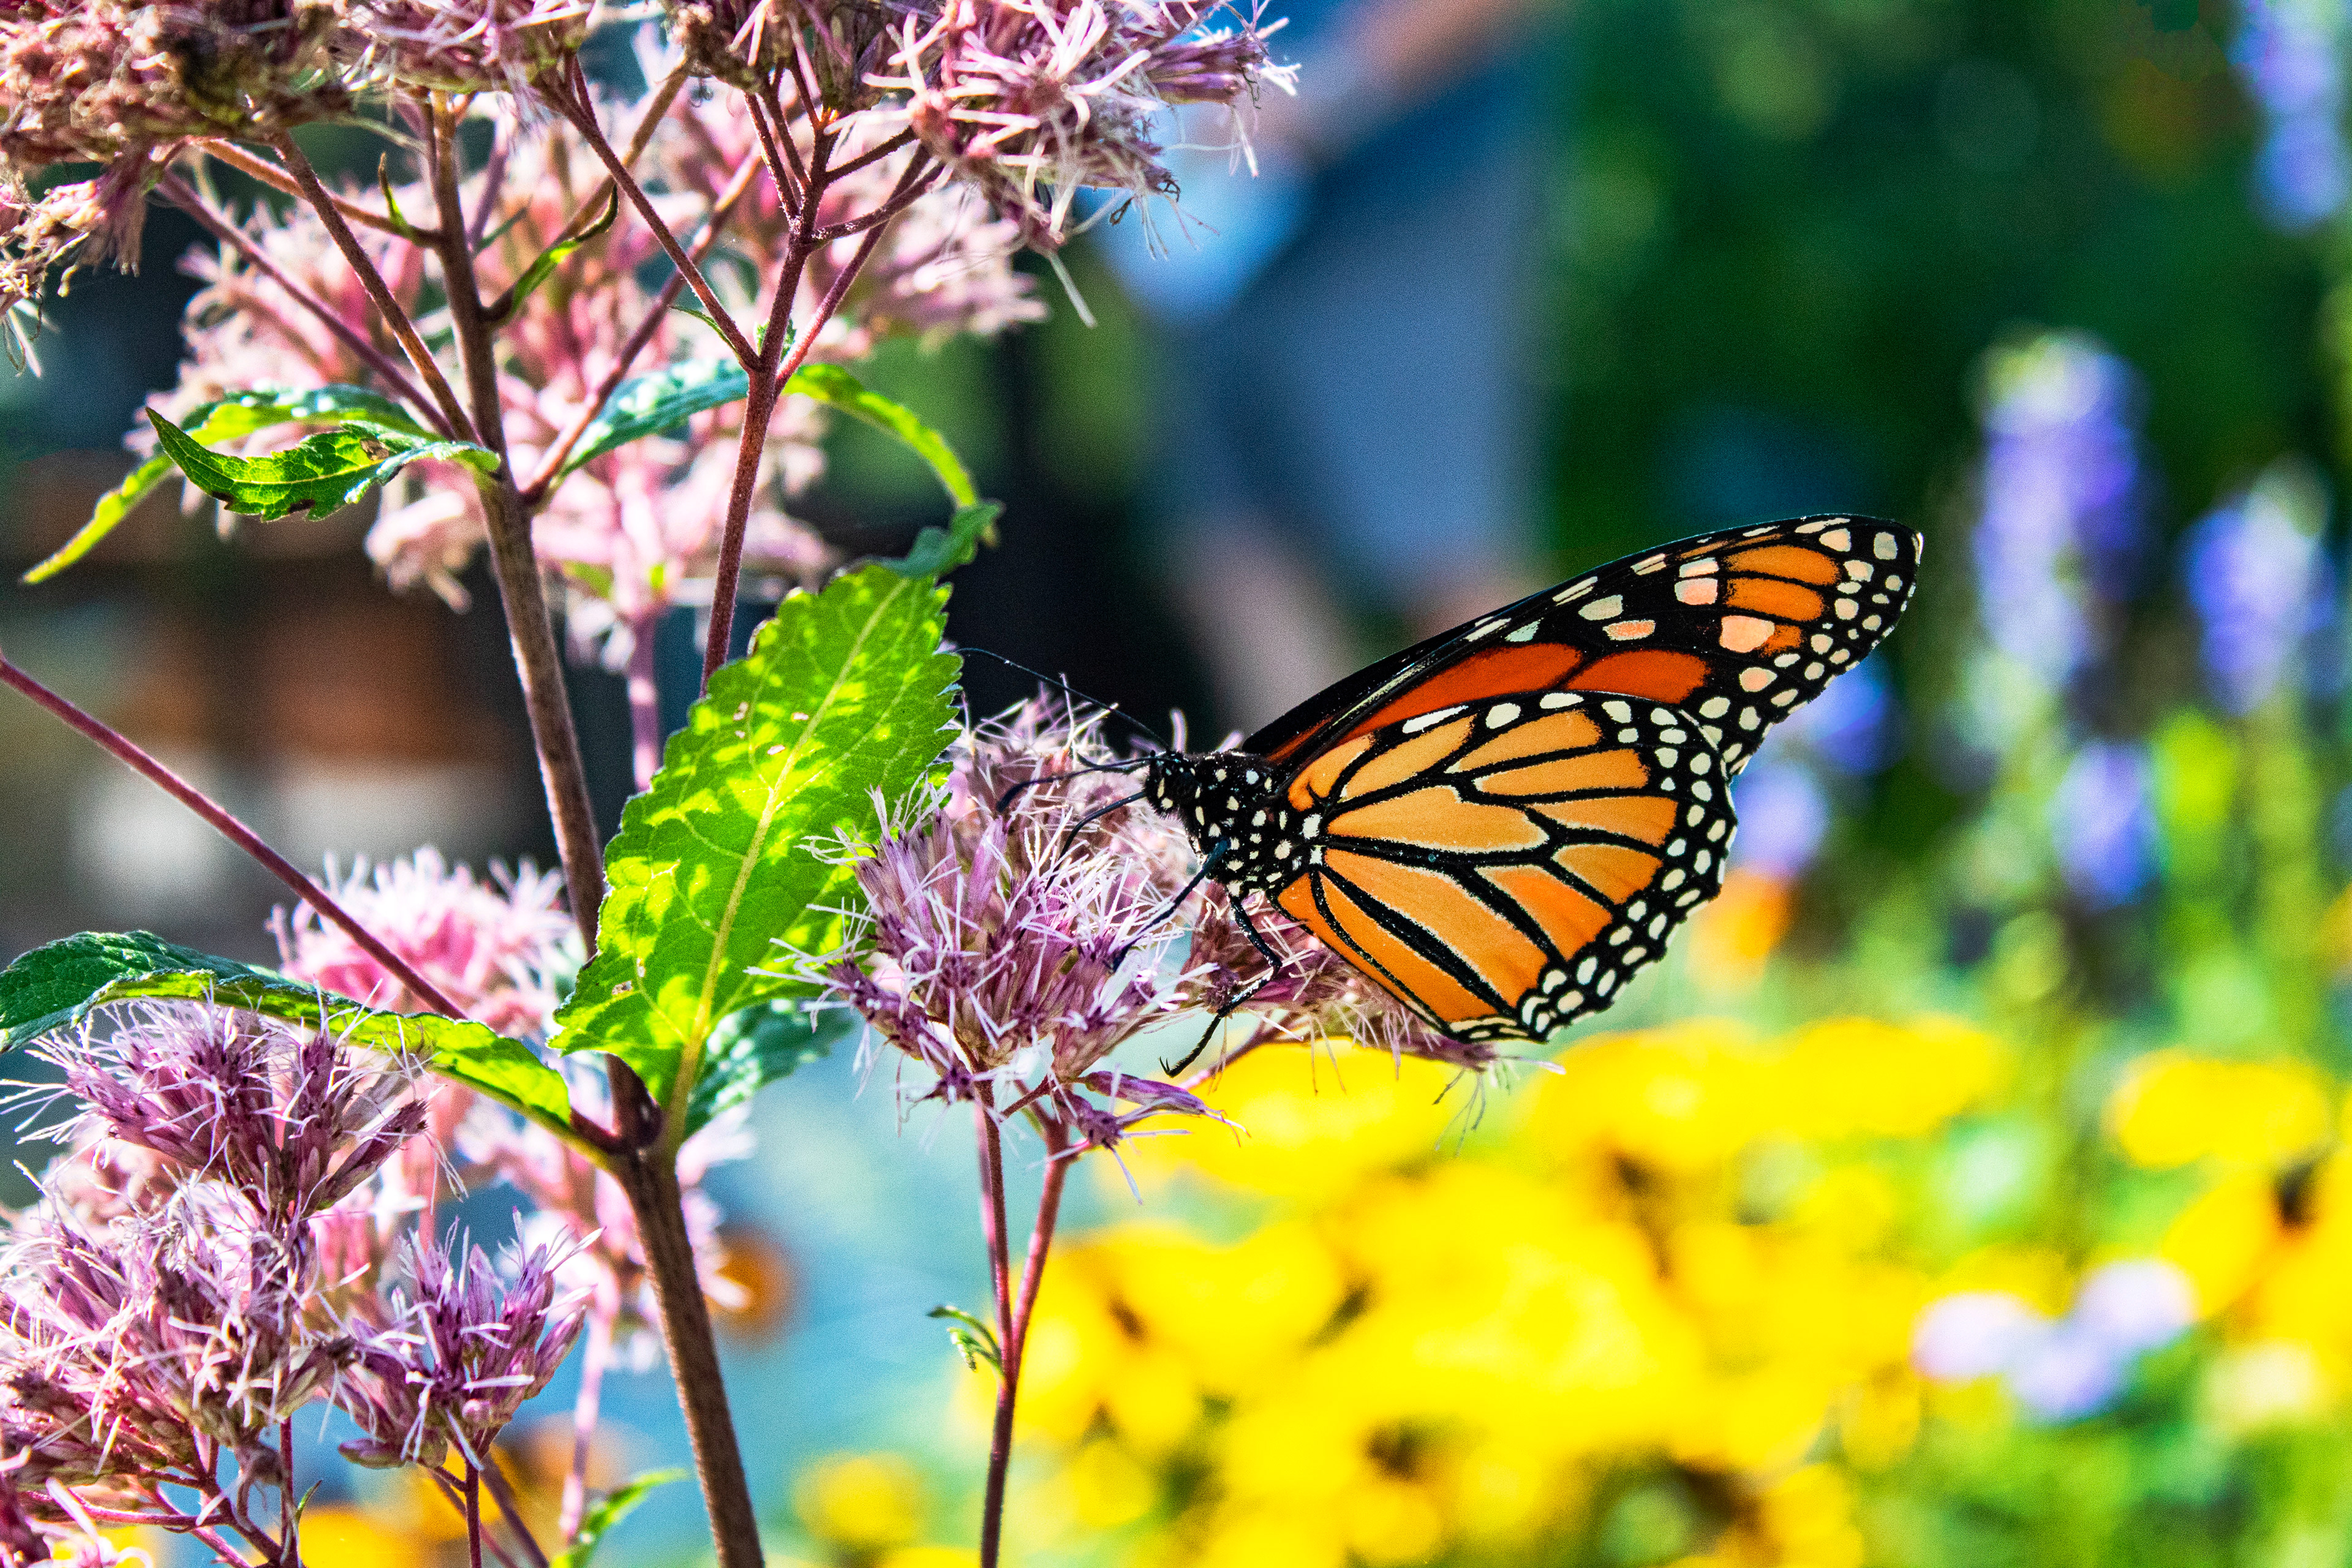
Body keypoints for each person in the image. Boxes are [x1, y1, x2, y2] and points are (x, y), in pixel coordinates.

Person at [1101, 0, 1561, 730]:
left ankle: (1557, 790)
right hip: (1205, 213)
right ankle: (1312, 801)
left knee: (1440, 559)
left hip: (1403, 182)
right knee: (1227, 548)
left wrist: (1321, 95)